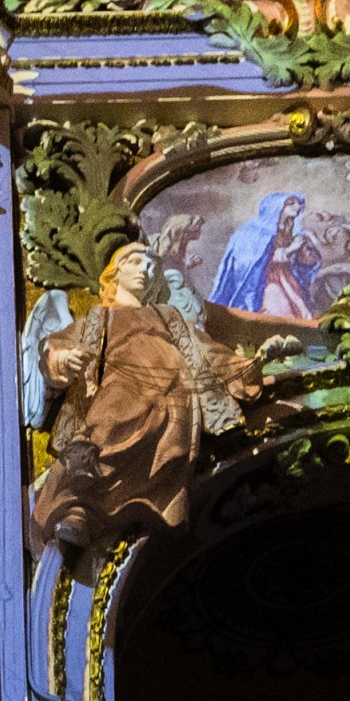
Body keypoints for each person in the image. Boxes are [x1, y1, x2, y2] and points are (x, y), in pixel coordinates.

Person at [33, 243, 265, 551]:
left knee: (167, 453)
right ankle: (77, 508)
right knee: (106, 434)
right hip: (124, 387)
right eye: (135, 262)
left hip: (174, 396)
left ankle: (106, 509)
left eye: (150, 266)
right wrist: (63, 360)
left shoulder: (167, 316)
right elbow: (57, 345)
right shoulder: (99, 319)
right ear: (114, 274)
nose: (145, 270)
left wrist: (254, 363)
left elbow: (206, 351)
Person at [211, 192, 321, 315]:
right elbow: (255, 260)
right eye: (291, 203)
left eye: (299, 203)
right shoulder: (254, 231)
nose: (298, 206)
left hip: (284, 277)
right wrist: (291, 248)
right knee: (279, 309)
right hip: (263, 280)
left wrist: (302, 250)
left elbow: (292, 260)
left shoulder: (287, 228)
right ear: (276, 207)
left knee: (298, 308)